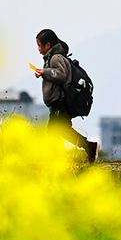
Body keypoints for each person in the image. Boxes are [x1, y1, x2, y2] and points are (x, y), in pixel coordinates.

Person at [33, 29, 99, 163]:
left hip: (60, 101)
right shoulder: (52, 58)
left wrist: (45, 72)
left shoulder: (56, 58)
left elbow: (61, 75)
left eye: (40, 45)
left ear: (48, 45)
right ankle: (85, 148)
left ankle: (88, 147)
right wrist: (44, 72)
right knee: (59, 130)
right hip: (57, 102)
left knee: (57, 131)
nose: (39, 49)